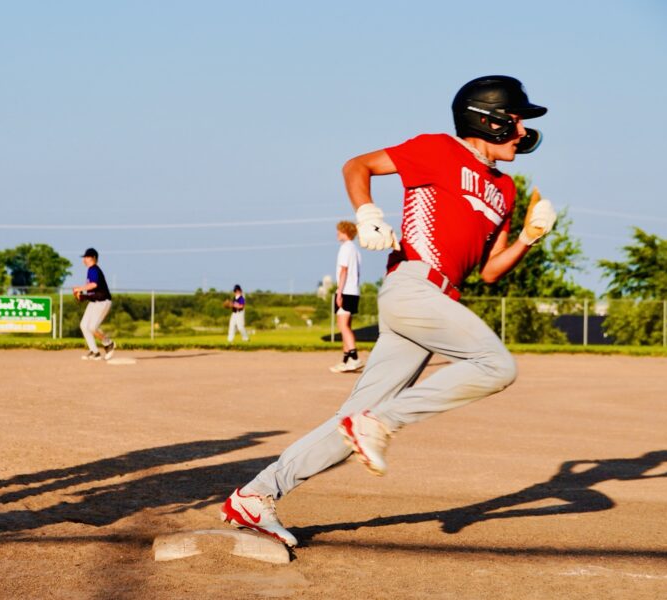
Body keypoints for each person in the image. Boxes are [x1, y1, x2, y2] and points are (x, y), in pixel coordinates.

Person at [219, 75, 556, 546]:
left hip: (439, 301)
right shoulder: (437, 148)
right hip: (413, 285)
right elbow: (358, 165)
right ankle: (382, 421)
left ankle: (255, 496)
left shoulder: (505, 189)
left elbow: (489, 272)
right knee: (496, 366)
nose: (524, 133)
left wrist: (527, 238)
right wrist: (367, 214)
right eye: (518, 122)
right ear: (491, 121)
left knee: (351, 422)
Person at [329, 221, 363, 373]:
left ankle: (355, 358)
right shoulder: (355, 249)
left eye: (339, 231)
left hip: (346, 291)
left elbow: (344, 271)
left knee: (342, 326)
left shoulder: (345, 248)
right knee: (346, 327)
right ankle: (346, 361)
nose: (337, 233)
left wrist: (339, 292)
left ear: (345, 232)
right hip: (354, 290)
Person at [72, 248, 115, 360]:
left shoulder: (94, 269)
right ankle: (94, 352)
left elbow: (94, 284)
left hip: (103, 302)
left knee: (92, 327)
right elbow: (92, 291)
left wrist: (80, 289)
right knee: (83, 325)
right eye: (85, 257)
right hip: (94, 302)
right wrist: (83, 296)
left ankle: (108, 343)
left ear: (94, 258)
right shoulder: (90, 270)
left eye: (87, 257)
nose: (84, 259)